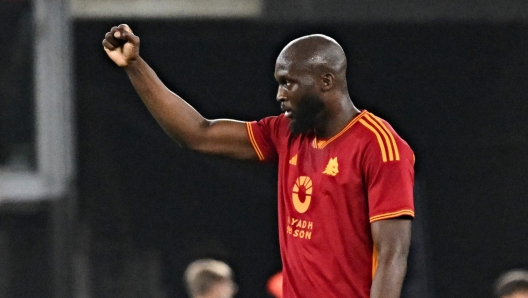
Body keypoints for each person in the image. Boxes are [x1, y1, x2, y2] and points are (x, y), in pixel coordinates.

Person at [102, 24, 415, 298]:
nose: (279, 95)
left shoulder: (380, 147)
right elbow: (198, 133)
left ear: (326, 81)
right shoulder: (286, 133)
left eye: (288, 83)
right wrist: (135, 66)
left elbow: (392, 254)